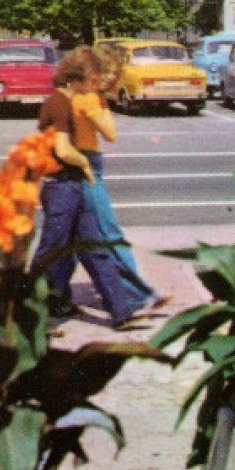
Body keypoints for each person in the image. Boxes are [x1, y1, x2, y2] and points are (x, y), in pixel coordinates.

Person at [33, 48, 149, 330]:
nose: (98, 84)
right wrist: (85, 164)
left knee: (94, 248)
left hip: (72, 184)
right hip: (61, 185)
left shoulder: (72, 100)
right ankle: (29, 315)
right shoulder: (58, 103)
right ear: (78, 77)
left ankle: (122, 314)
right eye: (94, 77)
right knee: (50, 251)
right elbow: (62, 148)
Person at [69, 47, 166, 312]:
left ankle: (127, 292)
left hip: (83, 164)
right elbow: (110, 133)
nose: (110, 81)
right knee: (104, 232)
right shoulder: (87, 97)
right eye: (106, 75)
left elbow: (106, 132)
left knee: (84, 236)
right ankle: (134, 294)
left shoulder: (87, 96)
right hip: (82, 166)